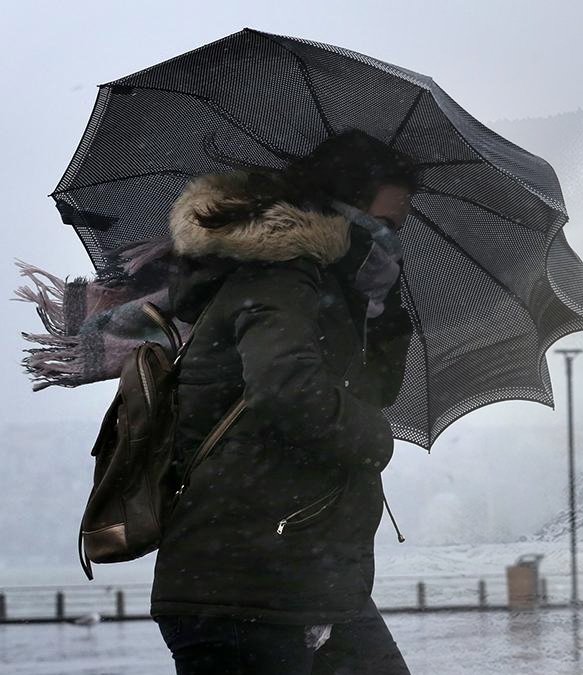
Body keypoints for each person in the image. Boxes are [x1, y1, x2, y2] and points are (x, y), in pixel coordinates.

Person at [151, 130, 416, 675]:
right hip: (245, 588)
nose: (392, 242)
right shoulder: (280, 277)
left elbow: (378, 390)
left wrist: (384, 309)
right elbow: (285, 389)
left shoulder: (329, 292)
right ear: (342, 211)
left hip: (308, 580)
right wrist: (376, 440)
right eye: (385, 227)